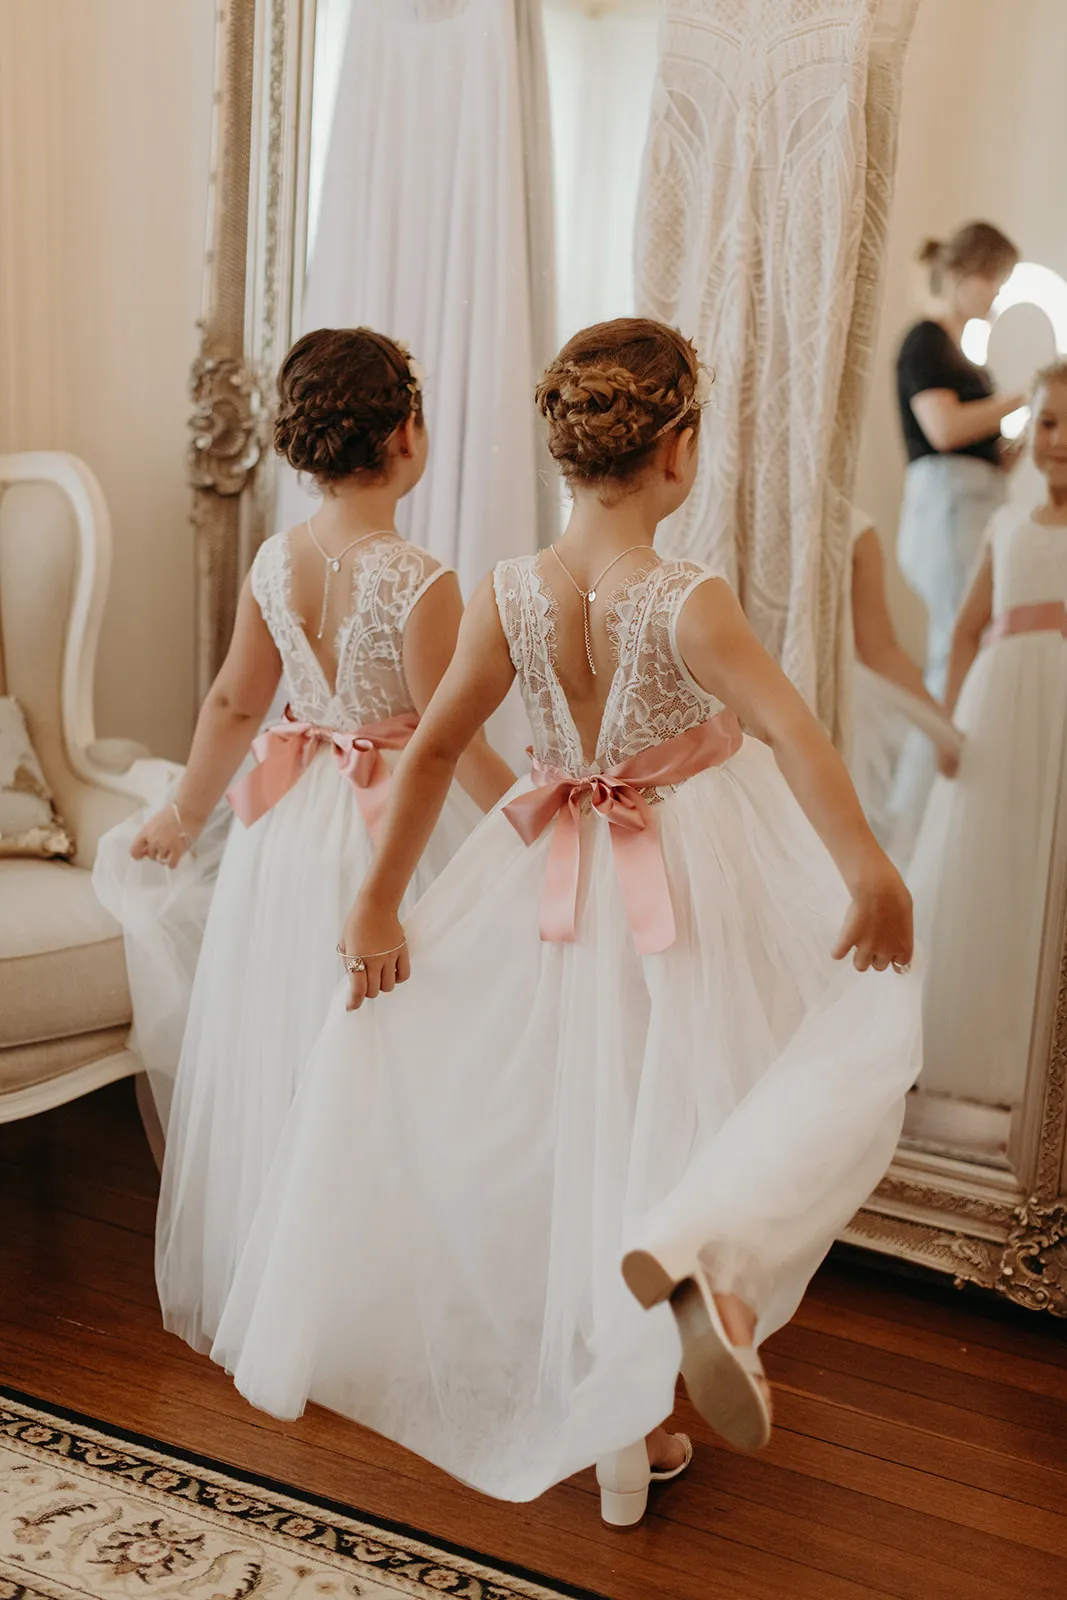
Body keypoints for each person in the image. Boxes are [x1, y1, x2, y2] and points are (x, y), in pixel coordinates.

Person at [214, 319, 920, 1527]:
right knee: (771, 1073)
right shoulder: (685, 602)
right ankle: (711, 1280)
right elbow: (796, 734)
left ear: (562, 452)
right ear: (678, 454)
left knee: (584, 1126)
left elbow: (432, 749)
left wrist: (379, 903)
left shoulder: (505, 596)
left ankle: (619, 1438)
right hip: (683, 880)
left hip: (553, 887)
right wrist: (869, 871)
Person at [97, 327, 513, 1355]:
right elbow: (446, 736)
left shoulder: (278, 559)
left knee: (288, 1040)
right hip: (383, 830)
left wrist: (182, 814)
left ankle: (279, 1274)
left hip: (285, 838)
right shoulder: (419, 578)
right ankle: (366, 1282)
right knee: (392, 1050)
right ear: (406, 435)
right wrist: (524, 824)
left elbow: (238, 701)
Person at [908, 361, 1067, 1108]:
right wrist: (945, 723)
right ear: (1027, 428)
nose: (1059, 439)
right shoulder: (1005, 526)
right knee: (995, 865)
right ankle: (982, 1046)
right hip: (1000, 716)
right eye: (1046, 422)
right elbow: (968, 630)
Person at [896, 221, 1023, 698]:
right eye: (994, 280)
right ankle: (940, 763)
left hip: (975, 506)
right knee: (956, 645)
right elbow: (943, 430)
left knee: (972, 638)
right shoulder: (925, 340)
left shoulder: (964, 358)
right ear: (964, 274)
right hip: (945, 509)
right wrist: (1018, 399)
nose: (996, 295)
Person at [848, 505, 960, 864]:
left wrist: (945, 729)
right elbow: (881, 651)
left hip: (829, 717)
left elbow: (879, 649)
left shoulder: (853, 530)